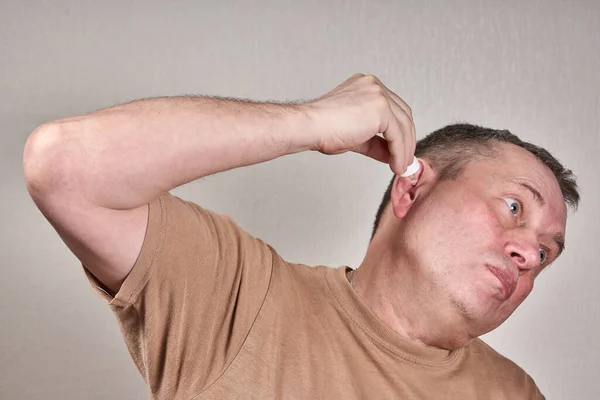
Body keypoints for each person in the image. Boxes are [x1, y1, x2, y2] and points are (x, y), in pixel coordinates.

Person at [23, 73, 578, 399]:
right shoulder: (240, 298)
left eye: (547, 253)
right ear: (412, 191)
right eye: (513, 207)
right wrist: (312, 121)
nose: (529, 253)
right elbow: (64, 166)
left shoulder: (514, 393)